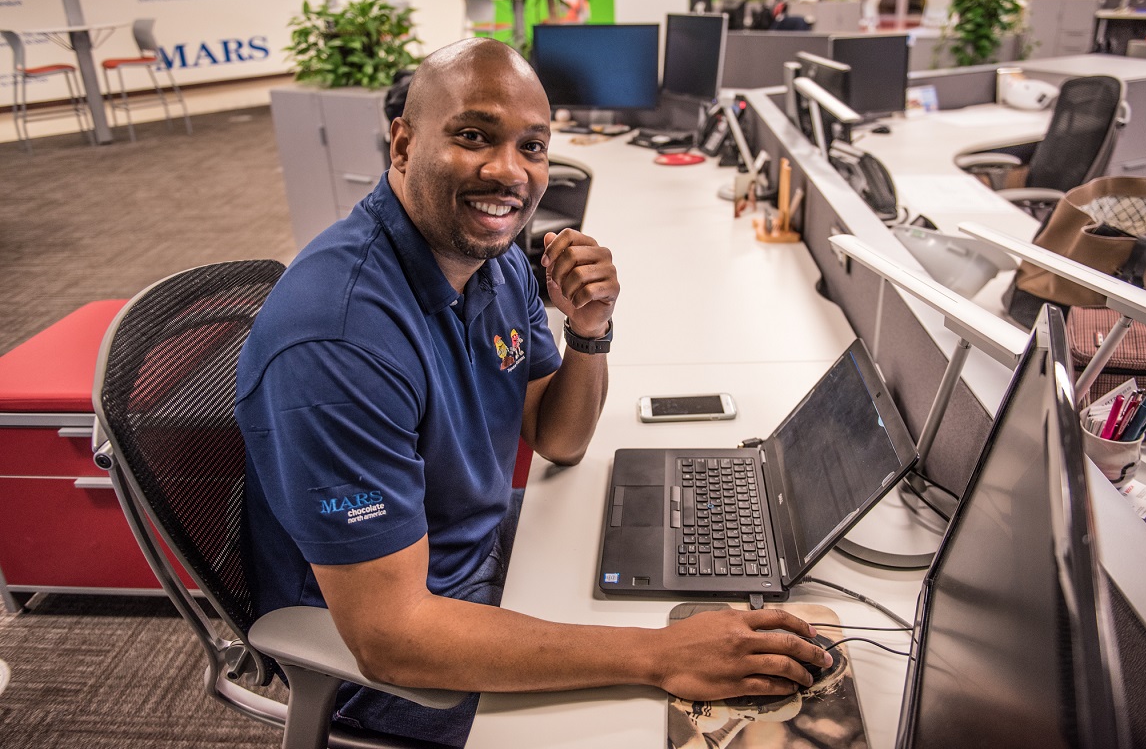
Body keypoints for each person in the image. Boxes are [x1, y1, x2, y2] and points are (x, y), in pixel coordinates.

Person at [235, 37, 831, 748]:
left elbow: (558, 439)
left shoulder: (496, 265)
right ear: (402, 143)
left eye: (533, 146)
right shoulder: (336, 341)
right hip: (393, 660)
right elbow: (391, 639)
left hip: (480, 555)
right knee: (660, 725)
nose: (508, 172)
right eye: (473, 136)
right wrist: (656, 655)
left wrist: (589, 330)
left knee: (699, 568)